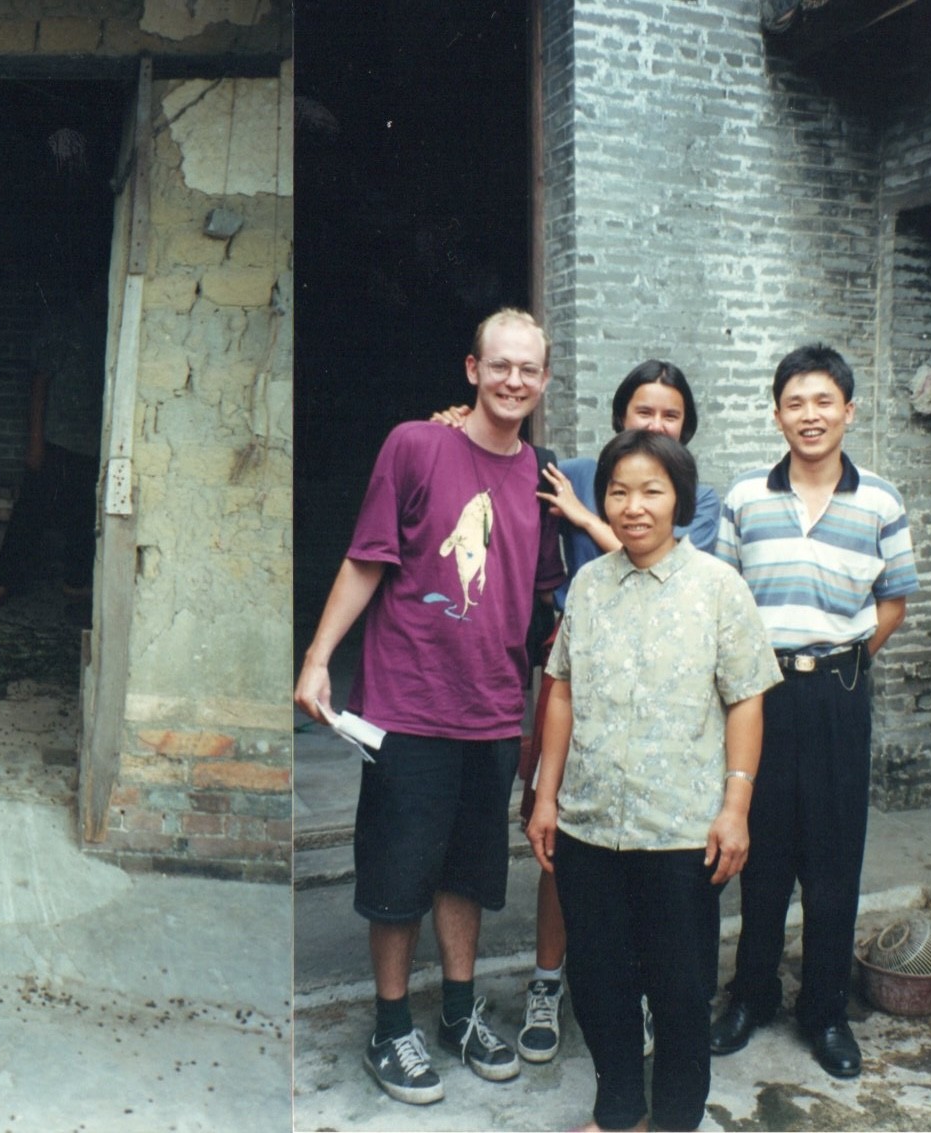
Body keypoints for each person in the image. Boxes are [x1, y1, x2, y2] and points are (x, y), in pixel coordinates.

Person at [293, 308, 566, 1105]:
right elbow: (364, 560)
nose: (514, 379)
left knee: (468, 875)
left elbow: (549, 601)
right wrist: (315, 660)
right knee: (396, 874)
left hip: (490, 712)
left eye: (529, 368)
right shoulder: (415, 444)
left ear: (545, 381)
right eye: (500, 364)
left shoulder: (541, 477)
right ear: (471, 369)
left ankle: (454, 1010)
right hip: (408, 704)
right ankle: (388, 1024)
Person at [467, 359, 723, 1064]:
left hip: (663, 688)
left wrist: (583, 518)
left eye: (670, 414)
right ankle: (548, 980)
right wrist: (451, 423)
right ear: (618, 416)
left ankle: (638, 992)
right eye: (643, 410)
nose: (654, 423)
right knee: (563, 839)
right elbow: (493, 459)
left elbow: (656, 560)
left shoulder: (693, 493)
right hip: (574, 671)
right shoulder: (572, 468)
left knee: (644, 848)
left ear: (685, 429)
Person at [525, 428, 780, 1132]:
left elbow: (745, 699)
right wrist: (546, 797)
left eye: (650, 490)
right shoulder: (587, 584)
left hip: (679, 830)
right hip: (588, 821)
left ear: (678, 500)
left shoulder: (717, 588)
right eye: (617, 491)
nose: (632, 506)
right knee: (600, 982)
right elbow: (562, 691)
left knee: (678, 988)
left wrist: (736, 807)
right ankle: (616, 1112)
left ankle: (671, 1119)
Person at [708, 344, 918, 1080]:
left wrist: (849, 656)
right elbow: (724, 599)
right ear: (775, 414)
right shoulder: (743, 499)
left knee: (832, 857)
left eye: (822, 401)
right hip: (759, 694)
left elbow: (891, 601)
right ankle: (751, 993)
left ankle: (824, 1009)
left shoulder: (880, 501)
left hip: (837, 693)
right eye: (794, 402)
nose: (809, 415)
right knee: (759, 852)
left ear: (847, 411)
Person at [0, 286, 106, 615]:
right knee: (30, 514)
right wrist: (35, 442)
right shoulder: (65, 324)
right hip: (58, 439)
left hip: (97, 445)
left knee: (87, 517)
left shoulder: (110, 322)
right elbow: (39, 383)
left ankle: (76, 585)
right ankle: (1, 584)